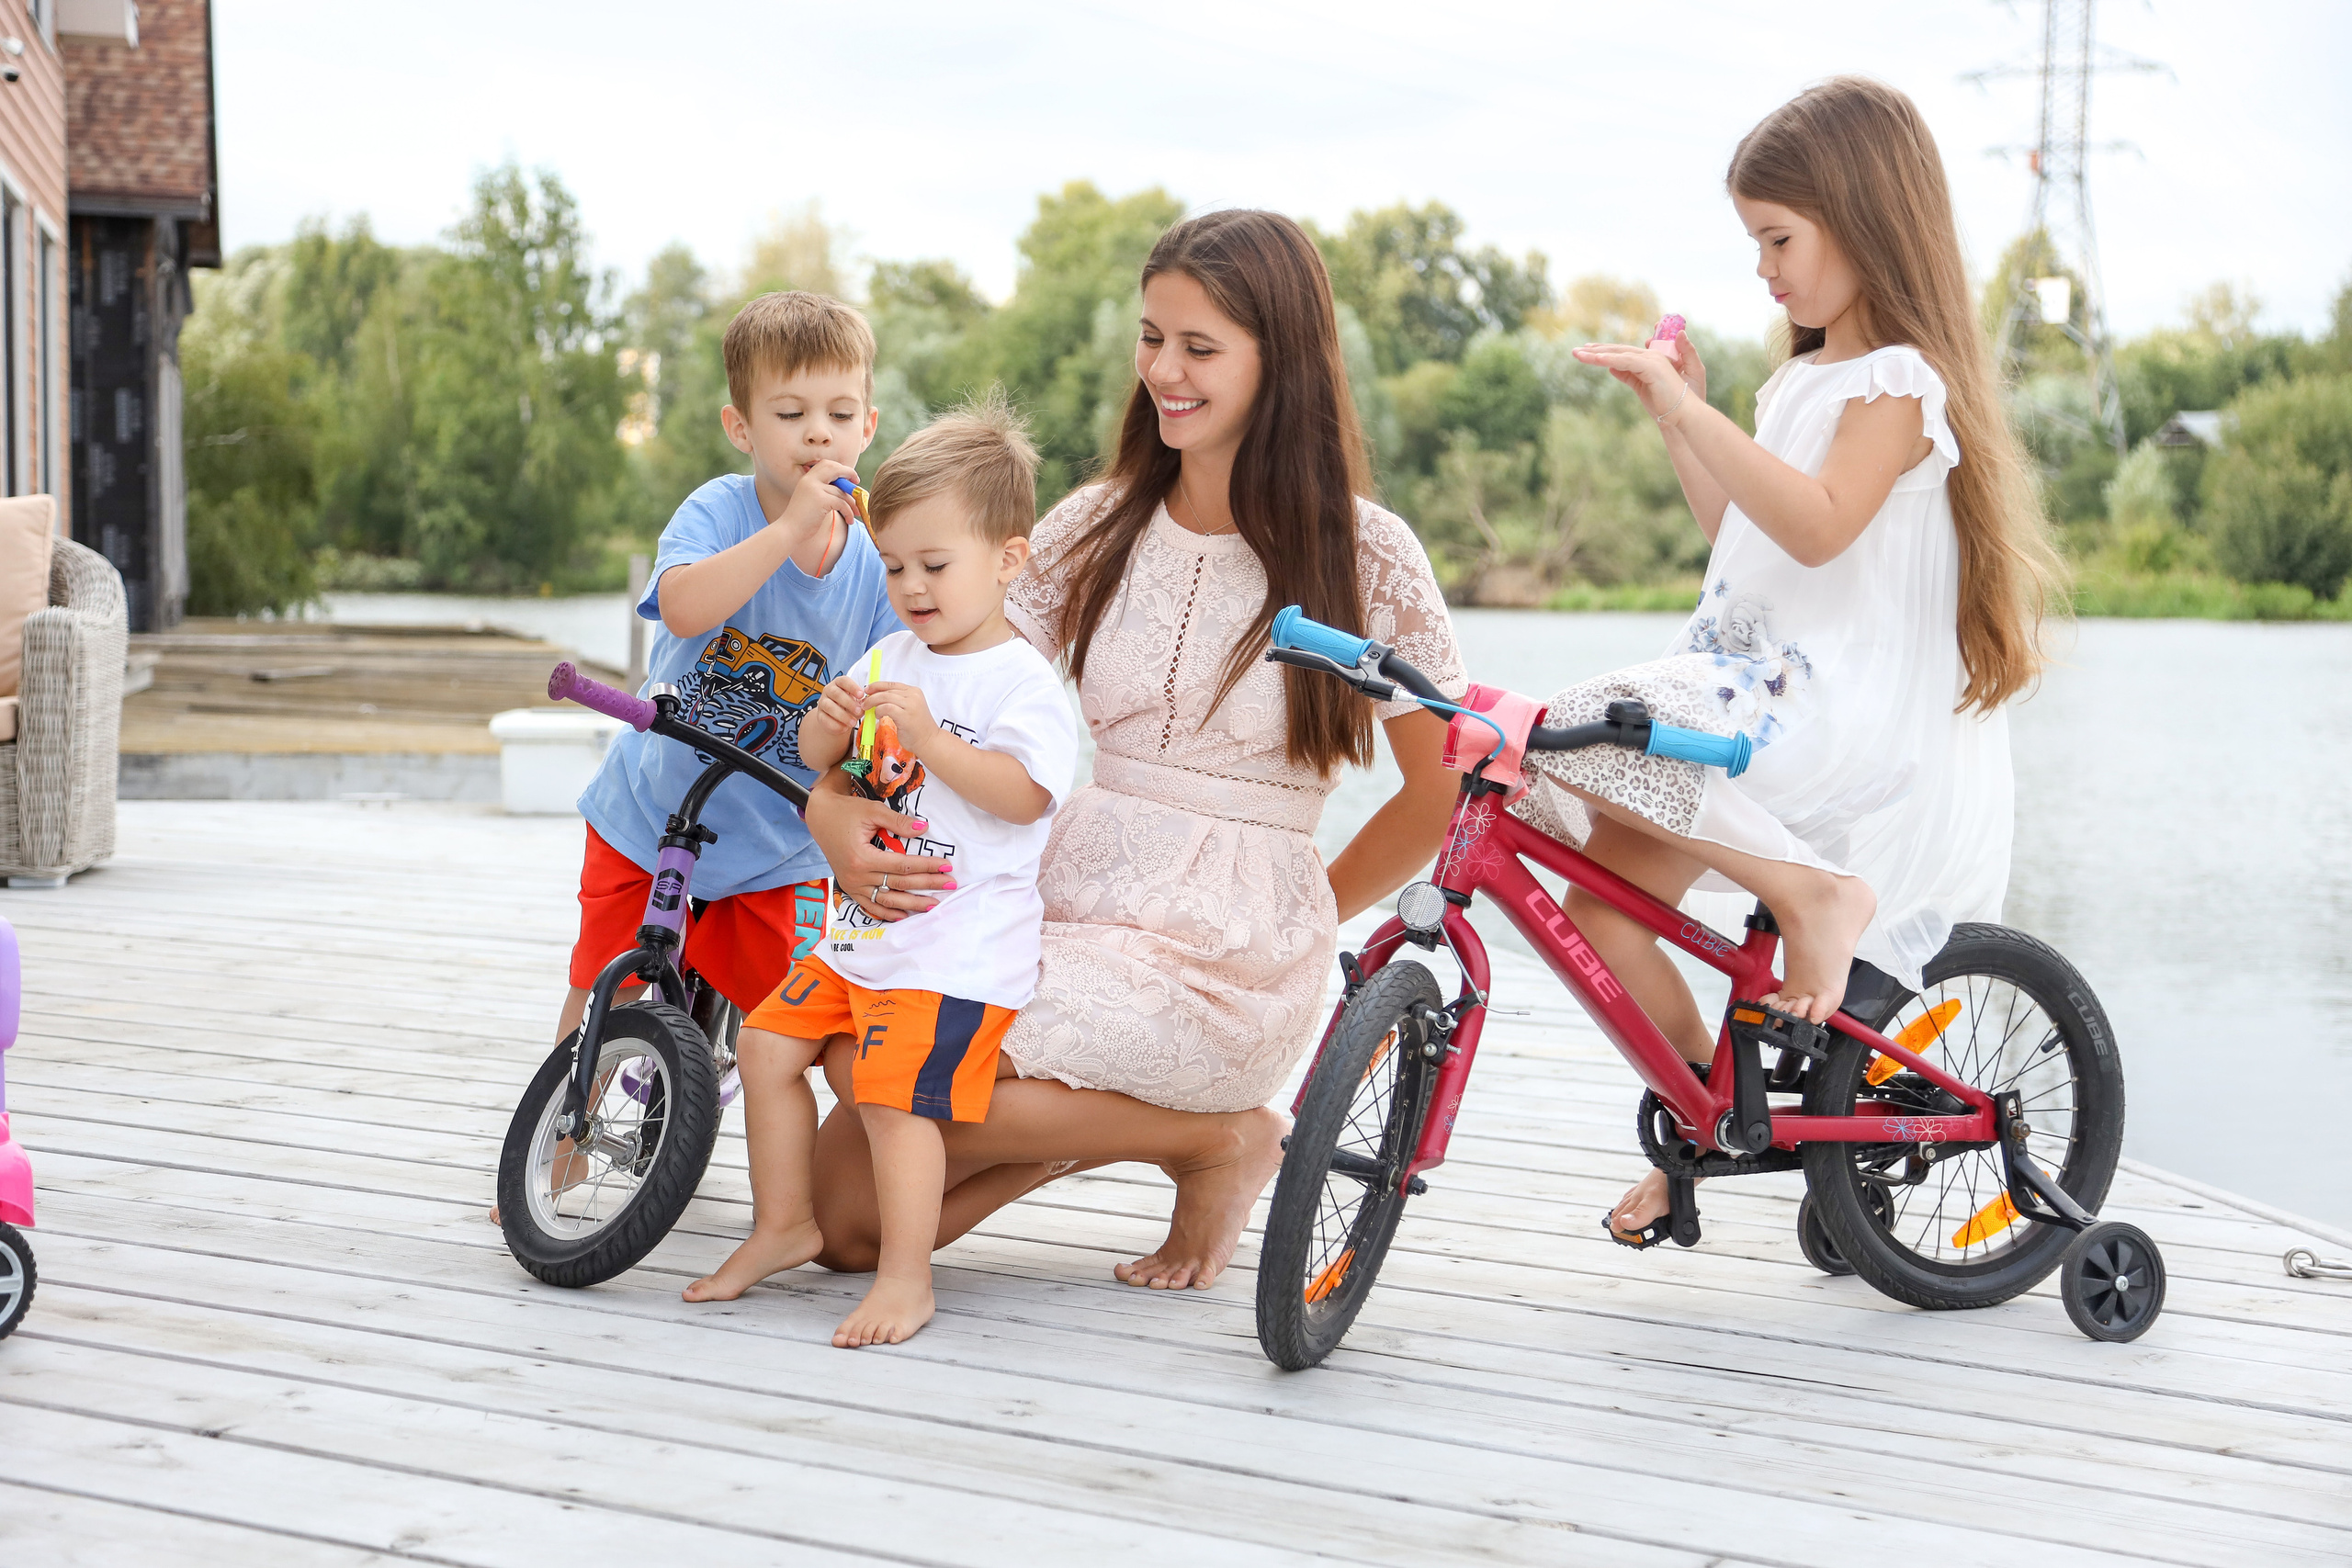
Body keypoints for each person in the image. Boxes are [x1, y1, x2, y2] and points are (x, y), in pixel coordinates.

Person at [800, 209, 1466, 1292]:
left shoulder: (1365, 552)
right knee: (842, 1217)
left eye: (1199, 348)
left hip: (1233, 939)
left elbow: (1441, 792)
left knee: (894, 1091)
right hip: (1059, 893)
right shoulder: (1093, 523)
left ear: (1280, 360)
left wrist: (1311, 915)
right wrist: (832, 815)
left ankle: (1212, 1137)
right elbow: (922, 698)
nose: (1164, 370)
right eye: (1152, 338)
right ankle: (1162, 1133)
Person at [1551, 77, 2064, 1246]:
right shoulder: (1799, 378)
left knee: (1584, 720)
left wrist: (1698, 408)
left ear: (1864, 217)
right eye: (1755, 244)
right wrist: (1677, 417)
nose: (1765, 270)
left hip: (1817, 705)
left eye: (1779, 239)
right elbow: (1745, 533)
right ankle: (1711, 1126)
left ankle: (1816, 897)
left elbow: (1824, 522)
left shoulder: (1897, 380)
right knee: (1600, 910)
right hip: (1746, 679)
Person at [498, 290, 900, 1227]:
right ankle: (558, 1155)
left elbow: (891, 685)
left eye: (840, 415)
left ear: (869, 424)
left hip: (776, 836)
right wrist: (787, 530)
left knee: (790, 1025)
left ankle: (800, 1197)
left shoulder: (879, 565)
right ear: (740, 425)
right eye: (790, 415)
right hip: (656, 812)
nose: (817, 436)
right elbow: (682, 609)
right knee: (599, 976)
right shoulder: (719, 512)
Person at [686, 398, 1078, 1349]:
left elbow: (1025, 798)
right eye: (892, 565)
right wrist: (828, 719)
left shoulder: (1021, 683)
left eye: (934, 566)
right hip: (863, 938)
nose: (911, 586)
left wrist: (931, 738)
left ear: (1008, 561)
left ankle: (908, 1276)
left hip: (953, 953)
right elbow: (829, 758)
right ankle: (784, 1223)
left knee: (890, 1097)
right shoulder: (893, 653)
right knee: (765, 1049)